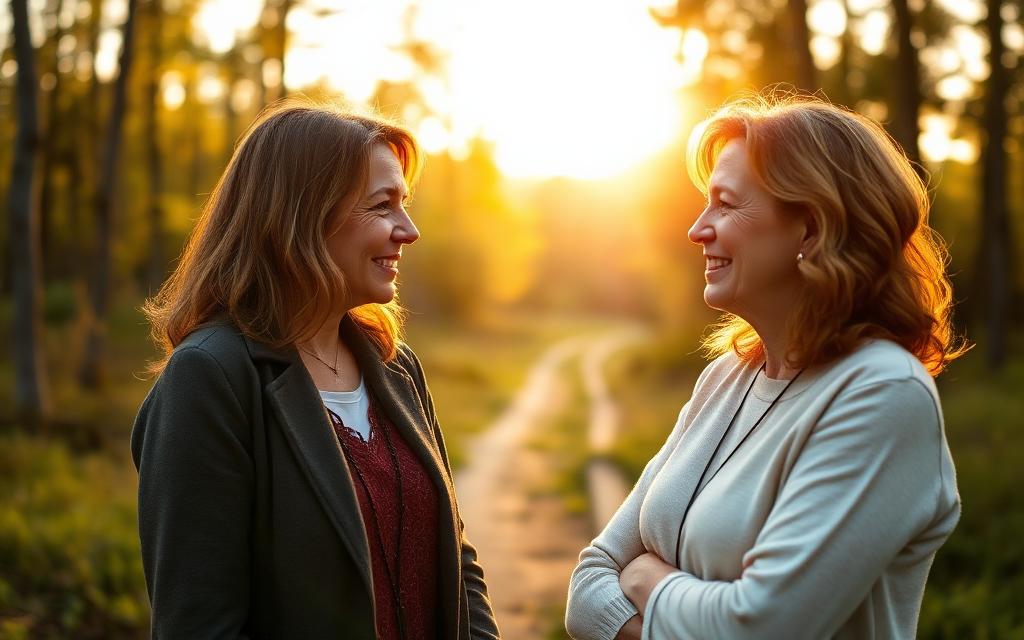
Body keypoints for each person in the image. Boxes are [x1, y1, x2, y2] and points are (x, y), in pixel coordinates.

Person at [565, 94, 967, 640]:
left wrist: (644, 578)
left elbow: (759, 628)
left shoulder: (883, 394)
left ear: (811, 229)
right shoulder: (726, 379)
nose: (697, 229)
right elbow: (588, 585)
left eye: (726, 204)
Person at [132, 100, 499, 639]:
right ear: (303, 217)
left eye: (404, 204)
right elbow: (199, 625)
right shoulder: (209, 378)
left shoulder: (395, 366)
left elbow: (456, 559)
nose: (409, 230)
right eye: (382, 206)